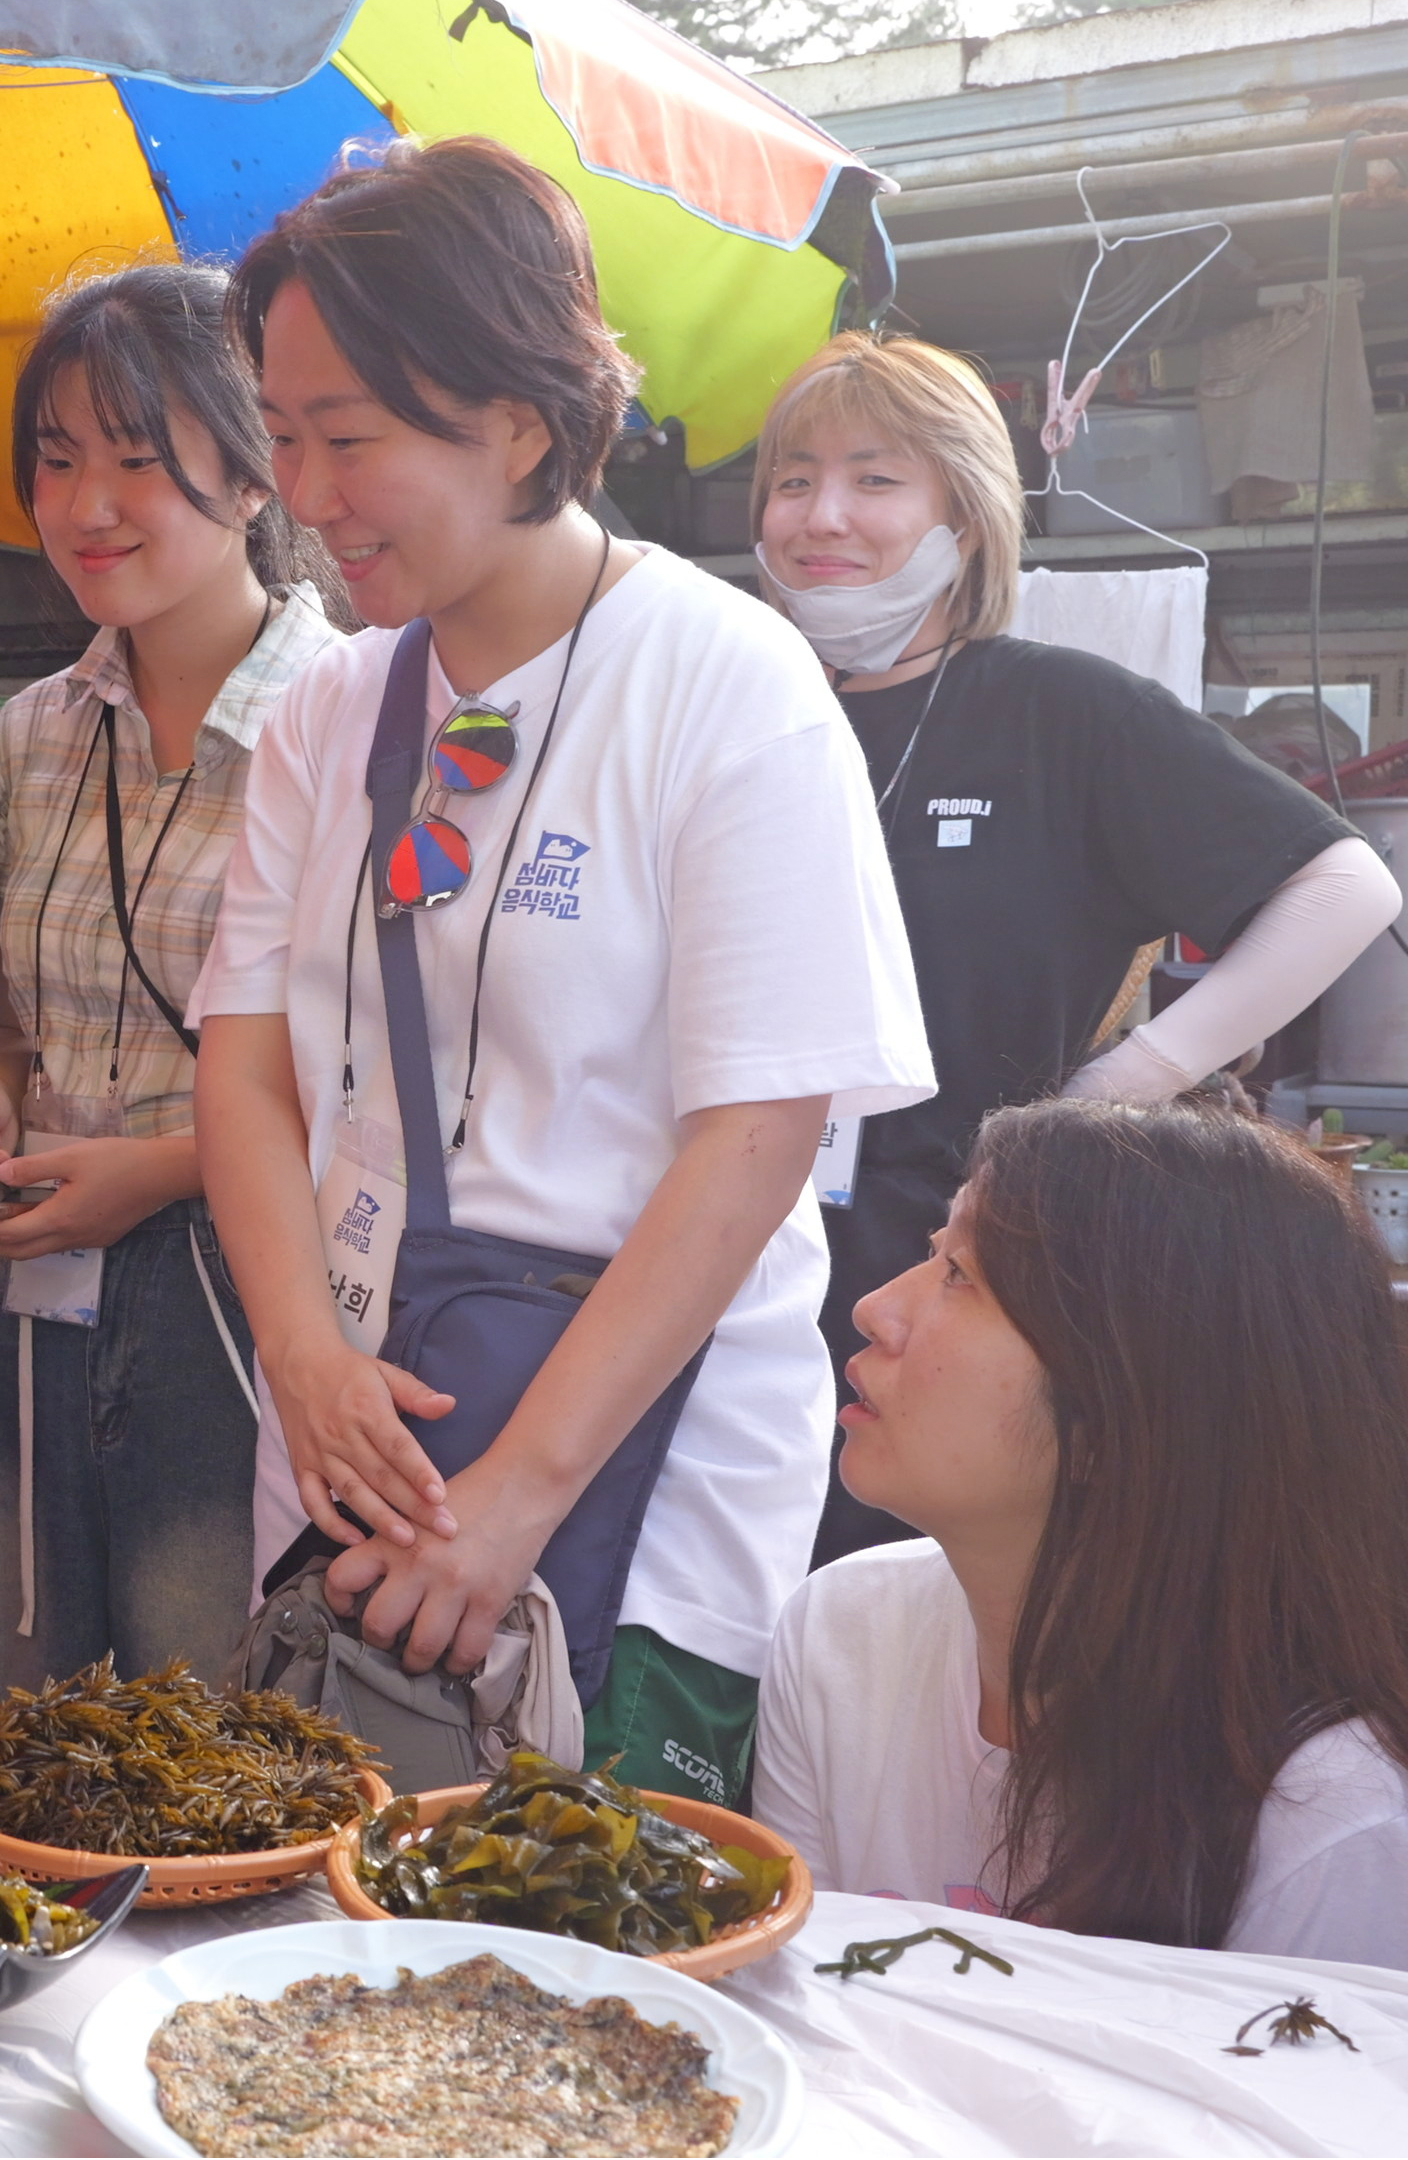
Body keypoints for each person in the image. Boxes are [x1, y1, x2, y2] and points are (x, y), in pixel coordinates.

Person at [190, 139, 933, 1806]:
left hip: (641, 1474)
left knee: (593, 1973)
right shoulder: (326, 706)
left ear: (519, 420)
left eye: (351, 439)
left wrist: (519, 1491)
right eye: (283, 436)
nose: (305, 496)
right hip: (353, 1447)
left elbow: (759, 1137)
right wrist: (302, 1356)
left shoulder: (726, 681)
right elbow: (243, 1063)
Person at [750, 333, 1401, 1567]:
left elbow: (1342, 883)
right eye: (792, 478)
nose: (821, 514)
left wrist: (1118, 1088)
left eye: (875, 479)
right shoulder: (748, 707)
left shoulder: (1057, 709)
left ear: (966, 514)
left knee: (940, 1640)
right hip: (747, 1270)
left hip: (980, 1287)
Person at [0, 265, 343, 1701]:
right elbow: (11, 1024)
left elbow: (369, 1087)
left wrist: (157, 1172)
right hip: (36, 1291)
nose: (86, 504)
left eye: (135, 457)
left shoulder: (346, 723)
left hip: (245, 1305)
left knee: (203, 1742)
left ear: (248, 473)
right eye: (56, 460)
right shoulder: (27, 737)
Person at [755, 1095, 1408, 1970]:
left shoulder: (1332, 1815)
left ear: (1125, 1413)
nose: (875, 1308)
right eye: (932, 1252)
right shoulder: (841, 1631)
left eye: (962, 1278)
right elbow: (814, 2022)